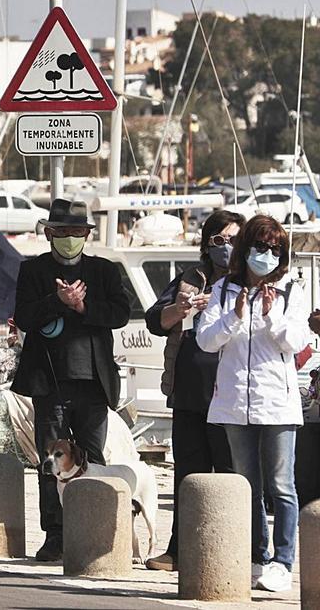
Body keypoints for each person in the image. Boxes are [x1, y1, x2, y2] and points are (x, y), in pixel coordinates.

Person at [12, 198, 131, 562]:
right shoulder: (32, 271)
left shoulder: (105, 271)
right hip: (49, 382)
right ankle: (56, 533)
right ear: (49, 234)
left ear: (87, 234)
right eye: (62, 232)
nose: (70, 238)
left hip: (93, 382)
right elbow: (25, 318)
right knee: (50, 462)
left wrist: (82, 307)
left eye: (77, 232)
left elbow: (121, 313)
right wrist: (57, 300)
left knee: (92, 459)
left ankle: (91, 528)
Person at [196, 214, 307, 594]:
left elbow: (296, 341)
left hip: (277, 401)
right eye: (261, 246)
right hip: (233, 402)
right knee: (247, 483)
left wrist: (269, 316)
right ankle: (257, 555)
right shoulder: (225, 289)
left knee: (282, 483)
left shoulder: (292, 289)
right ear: (246, 250)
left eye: (275, 248)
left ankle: (283, 560)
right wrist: (235, 316)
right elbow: (206, 340)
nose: (268, 255)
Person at [143, 210, 244, 572]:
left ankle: (234, 551)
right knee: (188, 472)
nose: (226, 247)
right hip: (187, 394)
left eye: (234, 239)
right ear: (206, 243)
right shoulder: (189, 278)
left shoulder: (248, 282)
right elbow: (156, 320)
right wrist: (180, 308)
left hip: (231, 396)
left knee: (230, 474)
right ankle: (180, 550)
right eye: (219, 240)